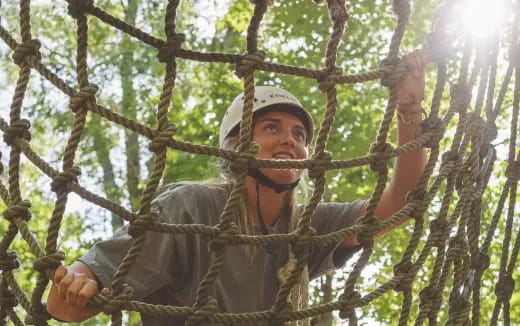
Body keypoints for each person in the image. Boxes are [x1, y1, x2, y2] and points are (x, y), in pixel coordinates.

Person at [46, 50, 428, 325]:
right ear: (232, 147)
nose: (289, 141)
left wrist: (409, 110)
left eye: (298, 134)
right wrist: (77, 292)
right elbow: (63, 307)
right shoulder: (189, 207)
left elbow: (403, 204)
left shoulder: (305, 225)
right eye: (270, 128)